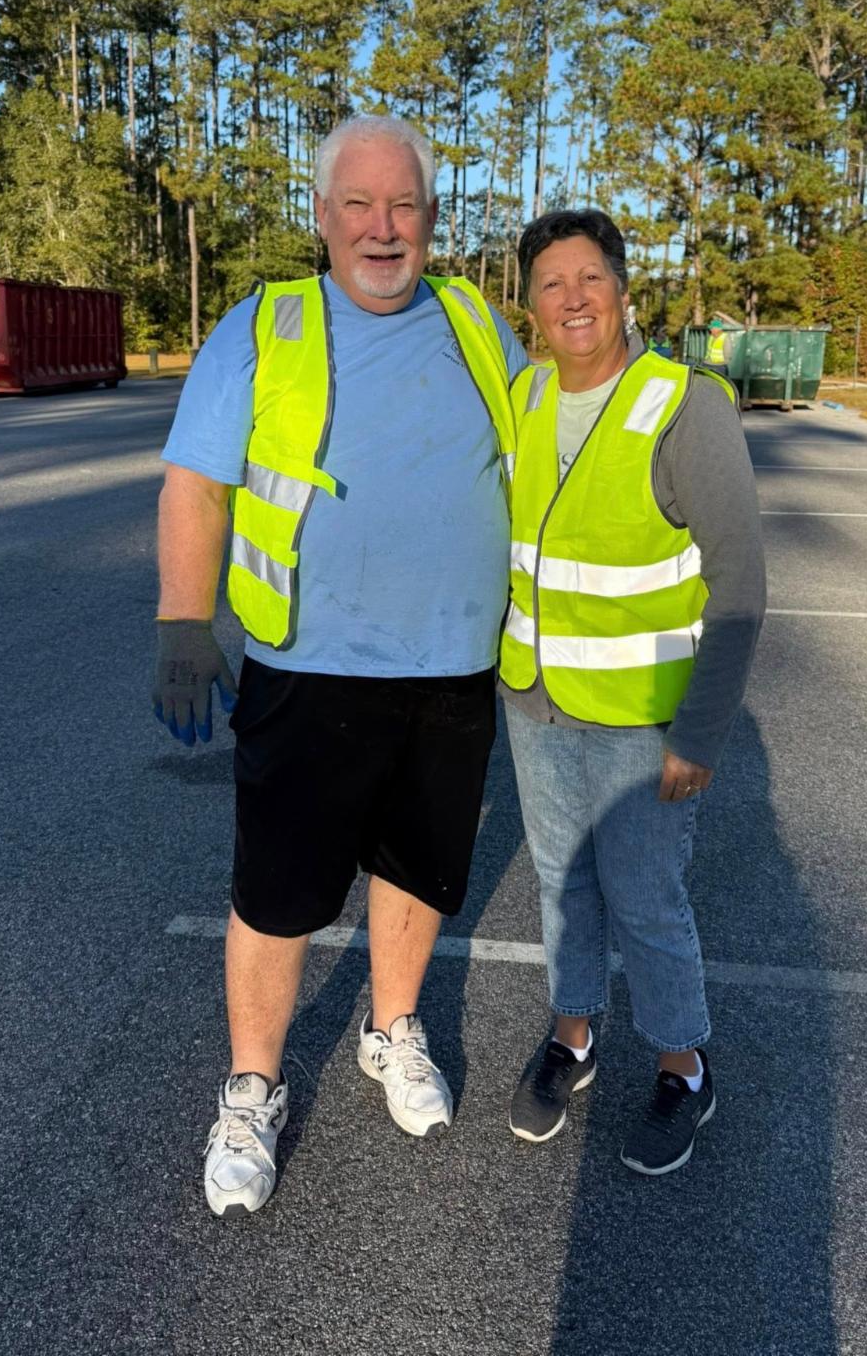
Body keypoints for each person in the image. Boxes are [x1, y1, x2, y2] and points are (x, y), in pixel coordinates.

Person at [152, 114, 527, 1217]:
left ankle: (390, 1028)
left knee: (418, 869)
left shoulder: (476, 322)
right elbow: (195, 485)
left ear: (433, 218)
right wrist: (183, 625)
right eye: (358, 204)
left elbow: (539, 455)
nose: (382, 227)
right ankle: (254, 1087)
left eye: (403, 205)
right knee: (277, 895)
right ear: (322, 217)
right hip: (309, 669)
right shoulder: (265, 326)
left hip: (453, 668)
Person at [499, 209, 765, 1176]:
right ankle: (572, 1038)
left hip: (645, 720)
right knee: (562, 886)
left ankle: (683, 1065)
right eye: (551, 283)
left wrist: (701, 732)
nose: (572, 299)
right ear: (531, 306)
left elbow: (740, 583)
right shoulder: (526, 396)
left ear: (622, 289)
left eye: (589, 279)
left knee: (646, 900)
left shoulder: (685, 405)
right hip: (536, 702)